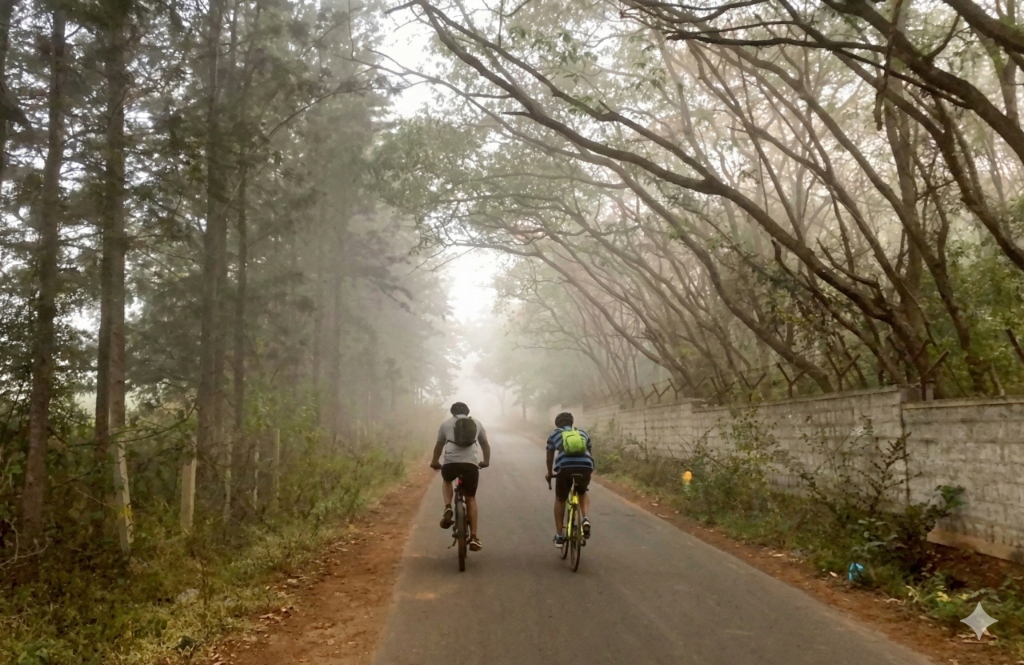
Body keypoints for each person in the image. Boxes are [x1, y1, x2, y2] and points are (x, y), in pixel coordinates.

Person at [430, 402, 490, 552]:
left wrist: (435, 461)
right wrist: (485, 461)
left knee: (447, 480)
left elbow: (439, 446)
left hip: (451, 463)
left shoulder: (445, 424)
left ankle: (448, 507)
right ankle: (474, 537)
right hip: (470, 464)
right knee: (470, 498)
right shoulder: (477, 423)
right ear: (468, 411)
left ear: (452, 412)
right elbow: (485, 444)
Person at [545, 411, 593, 546]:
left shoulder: (554, 434)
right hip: (586, 466)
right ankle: (585, 518)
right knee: (582, 492)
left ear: (557, 424)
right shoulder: (583, 433)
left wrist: (549, 473)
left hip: (565, 468)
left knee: (560, 499)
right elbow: (590, 453)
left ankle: (560, 536)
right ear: (572, 423)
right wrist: (588, 469)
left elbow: (549, 457)